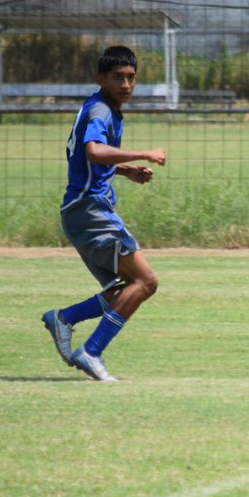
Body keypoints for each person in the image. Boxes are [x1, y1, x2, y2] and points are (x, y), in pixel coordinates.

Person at [41, 45, 166, 382]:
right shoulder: (100, 112)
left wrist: (126, 171)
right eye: (118, 78)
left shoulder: (102, 108)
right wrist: (145, 153)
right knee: (147, 281)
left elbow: (83, 159)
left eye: (131, 78)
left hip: (82, 212)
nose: (126, 85)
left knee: (127, 288)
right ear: (101, 79)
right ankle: (92, 351)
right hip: (90, 210)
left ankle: (65, 318)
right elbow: (93, 152)